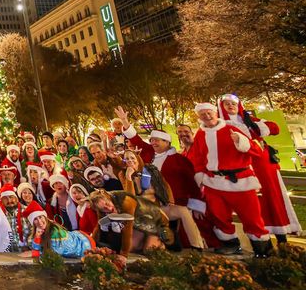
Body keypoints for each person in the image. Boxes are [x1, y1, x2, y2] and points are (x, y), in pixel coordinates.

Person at [185, 103, 271, 256]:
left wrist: (240, 141)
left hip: (240, 181)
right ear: (199, 117)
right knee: (220, 217)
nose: (206, 116)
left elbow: (256, 150)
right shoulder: (200, 134)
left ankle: (262, 249)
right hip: (214, 182)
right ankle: (230, 244)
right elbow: (198, 159)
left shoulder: (232, 129)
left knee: (252, 217)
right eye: (202, 114)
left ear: (215, 113)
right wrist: (201, 177)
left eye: (209, 112)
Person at [114, 107, 207, 250]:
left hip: (169, 204)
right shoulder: (148, 155)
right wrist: (125, 122)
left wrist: (197, 204)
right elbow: (135, 139)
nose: (153, 143)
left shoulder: (179, 160)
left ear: (167, 142)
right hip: (148, 207)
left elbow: (191, 183)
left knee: (182, 213)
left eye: (157, 140)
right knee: (139, 245)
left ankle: (197, 247)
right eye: (152, 140)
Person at [218, 94, 300, 241]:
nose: (230, 106)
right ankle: (258, 240)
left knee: (272, 198)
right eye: (226, 104)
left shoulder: (249, 121)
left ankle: (282, 238)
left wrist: (259, 127)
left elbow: (275, 128)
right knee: (251, 205)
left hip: (262, 165)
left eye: (233, 103)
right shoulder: (220, 125)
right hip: (240, 168)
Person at [88, 190, 173, 263]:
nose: (109, 209)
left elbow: (127, 229)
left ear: (107, 197)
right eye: (104, 208)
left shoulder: (126, 201)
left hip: (156, 221)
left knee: (149, 250)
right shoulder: (101, 207)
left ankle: (161, 242)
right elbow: (99, 226)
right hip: (140, 224)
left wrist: (123, 255)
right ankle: (144, 241)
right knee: (132, 247)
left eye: (107, 204)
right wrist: (91, 245)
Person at [26, 209, 94, 259]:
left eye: (40, 217)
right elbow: (35, 248)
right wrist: (37, 237)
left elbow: (56, 253)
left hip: (84, 245)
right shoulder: (40, 231)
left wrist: (36, 253)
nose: (39, 221)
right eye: (35, 219)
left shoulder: (55, 231)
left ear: (45, 217)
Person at [0, 184, 31, 252]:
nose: (9, 200)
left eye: (11, 197)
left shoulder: (28, 211)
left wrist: (29, 246)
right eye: (5, 198)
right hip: (7, 255)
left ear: (16, 198)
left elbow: (36, 232)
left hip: (27, 253)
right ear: (2, 200)